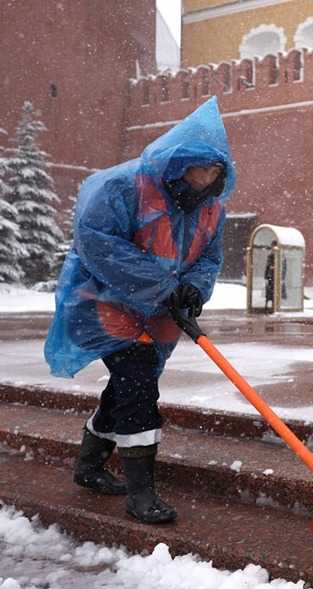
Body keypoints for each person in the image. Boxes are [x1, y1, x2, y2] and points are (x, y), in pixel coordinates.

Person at [44, 97, 236, 524]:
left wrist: (192, 289)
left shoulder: (212, 208)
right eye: (200, 168)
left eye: (216, 171)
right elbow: (98, 242)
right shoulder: (123, 186)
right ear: (178, 162)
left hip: (160, 311)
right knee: (137, 384)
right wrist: (163, 285)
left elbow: (209, 257)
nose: (207, 179)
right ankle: (140, 493)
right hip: (102, 301)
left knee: (130, 386)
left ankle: (89, 467)